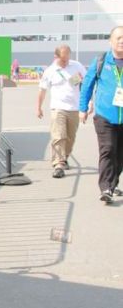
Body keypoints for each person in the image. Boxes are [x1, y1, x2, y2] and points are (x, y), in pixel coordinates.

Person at [79, 25, 123, 203]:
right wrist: (83, 108)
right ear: (110, 41)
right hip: (105, 115)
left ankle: (113, 183)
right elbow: (87, 85)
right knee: (108, 149)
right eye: (118, 38)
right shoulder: (101, 61)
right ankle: (106, 188)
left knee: (119, 155)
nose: (122, 41)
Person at [36, 44, 85, 178]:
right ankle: (58, 164)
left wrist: (88, 103)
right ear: (56, 57)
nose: (65, 62)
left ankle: (64, 157)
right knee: (58, 136)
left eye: (67, 59)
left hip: (74, 108)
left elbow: (86, 84)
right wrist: (38, 107)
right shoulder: (50, 71)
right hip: (57, 108)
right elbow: (42, 90)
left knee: (70, 137)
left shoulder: (77, 66)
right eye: (63, 59)